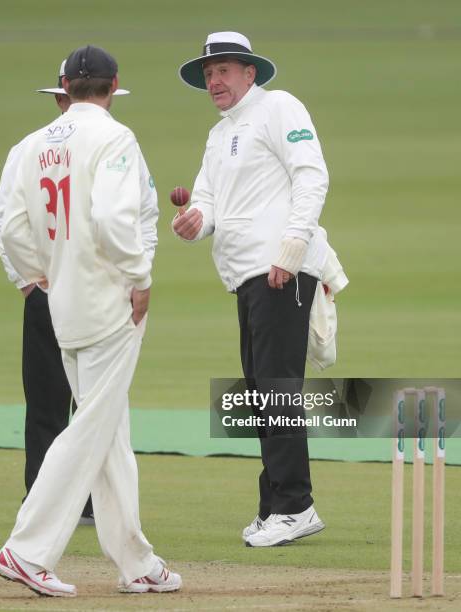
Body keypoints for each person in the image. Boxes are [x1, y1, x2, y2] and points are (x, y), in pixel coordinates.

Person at [0, 44, 181, 596]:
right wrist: (139, 278)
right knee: (93, 426)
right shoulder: (114, 137)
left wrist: (40, 273)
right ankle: (25, 550)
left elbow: (9, 226)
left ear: (65, 87)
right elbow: (114, 218)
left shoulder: (29, 146)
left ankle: (136, 561)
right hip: (108, 304)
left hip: (62, 304)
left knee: (108, 432)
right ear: (114, 84)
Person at [174, 32, 343, 547]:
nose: (214, 81)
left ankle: (296, 506)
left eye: (224, 70)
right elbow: (208, 203)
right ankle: (274, 504)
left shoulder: (280, 107)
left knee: (277, 389)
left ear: (250, 73)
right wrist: (194, 221)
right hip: (247, 276)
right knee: (261, 391)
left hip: (280, 270)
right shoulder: (218, 133)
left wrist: (292, 249)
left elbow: (312, 175)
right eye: (208, 74)